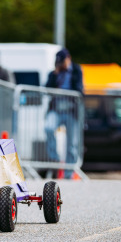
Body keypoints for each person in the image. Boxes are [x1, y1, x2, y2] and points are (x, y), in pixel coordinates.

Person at [45, 48, 83, 178]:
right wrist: (55, 74)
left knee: (72, 144)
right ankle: (55, 159)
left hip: (71, 111)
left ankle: (69, 173)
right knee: (49, 128)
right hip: (56, 109)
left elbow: (80, 89)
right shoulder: (54, 73)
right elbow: (47, 89)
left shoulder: (76, 70)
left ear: (68, 58)